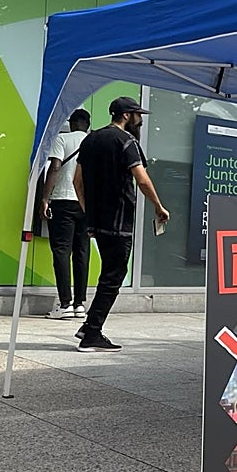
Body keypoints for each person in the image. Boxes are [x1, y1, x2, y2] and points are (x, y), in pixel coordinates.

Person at [73, 97, 169, 352]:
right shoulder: (127, 141)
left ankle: (89, 325)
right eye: (138, 115)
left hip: (97, 221)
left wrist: (88, 212)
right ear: (126, 115)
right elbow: (143, 180)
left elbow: (77, 182)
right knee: (114, 275)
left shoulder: (90, 139)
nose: (140, 119)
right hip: (118, 220)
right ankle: (92, 333)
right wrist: (159, 207)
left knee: (109, 273)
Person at [40, 109, 91, 320]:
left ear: (72, 123)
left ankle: (65, 303)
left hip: (63, 200)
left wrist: (44, 198)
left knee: (61, 251)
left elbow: (55, 168)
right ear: (87, 125)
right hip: (86, 205)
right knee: (82, 252)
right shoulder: (94, 141)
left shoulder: (62, 139)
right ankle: (79, 304)